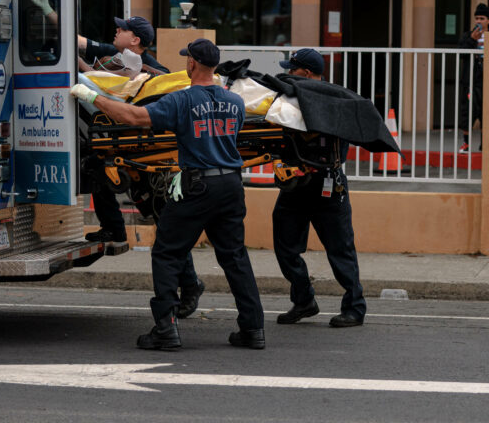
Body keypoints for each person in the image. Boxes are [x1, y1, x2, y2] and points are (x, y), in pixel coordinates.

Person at [70, 38, 265, 350]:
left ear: (191, 64)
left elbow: (133, 117)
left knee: (166, 253)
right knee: (235, 256)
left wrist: (94, 97)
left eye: (187, 59)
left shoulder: (182, 101)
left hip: (197, 186)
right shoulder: (236, 102)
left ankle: (166, 329)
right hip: (231, 185)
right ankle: (253, 329)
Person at [77, 16, 205, 319]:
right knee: (95, 164)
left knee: (167, 231)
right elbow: (88, 52)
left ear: (135, 40)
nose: (116, 31)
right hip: (130, 156)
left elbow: (105, 85)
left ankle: (187, 288)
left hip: (152, 164)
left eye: (122, 30)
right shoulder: (121, 57)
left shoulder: (151, 72)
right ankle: (114, 229)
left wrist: (78, 70)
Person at [272, 48, 366, 328]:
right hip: (294, 185)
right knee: (285, 246)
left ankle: (355, 307)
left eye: (294, 69)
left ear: (308, 74)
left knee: (340, 249)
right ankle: (303, 301)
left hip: (327, 186)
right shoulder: (287, 99)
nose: (289, 73)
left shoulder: (335, 101)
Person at [458, 3, 489, 154]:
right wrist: (472, 40)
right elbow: (462, 54)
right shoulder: (467, 35)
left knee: (486, 111)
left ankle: (485, 143)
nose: (478, 21)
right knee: (468, 111)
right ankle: (466, 143)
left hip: (488, 79)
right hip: (470, 80)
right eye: (477, 18)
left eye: (482, 18)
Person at [78, 16, 167, 73]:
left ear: (135, 40)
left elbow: (167, 77)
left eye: (124, 29)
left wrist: (139, 68)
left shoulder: (151, 65)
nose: (117, 30)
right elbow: (82, 43)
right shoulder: (114, 51)